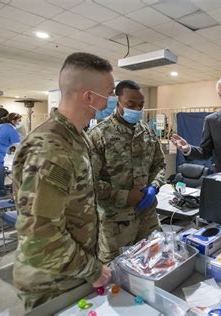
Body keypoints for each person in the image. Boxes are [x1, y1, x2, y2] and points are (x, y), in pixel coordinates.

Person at [12, 52, 114, 310]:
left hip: (72, 270)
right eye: (109, 94)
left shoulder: (77, 139)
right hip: (52, 280)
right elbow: (39, 234)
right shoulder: (51, 149)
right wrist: (92, 269)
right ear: (89, 97)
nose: (110, 102)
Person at [88, 80, 165, 264]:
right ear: (117, 101)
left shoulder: (147, 131)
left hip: (147, 216)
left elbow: (159, 164)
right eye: (131, 105)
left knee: (156, 262)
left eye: (141, 105)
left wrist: (154, 186)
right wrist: (124, 196)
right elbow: (89, 182)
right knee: (116, 275)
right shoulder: (99, 135)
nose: (137, 109)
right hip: (115, 223)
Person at [0, 112, 21, 191]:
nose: (19, 123)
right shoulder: (11, 130)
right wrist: (11, 158)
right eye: (19, 120)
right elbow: (15, 146)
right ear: (13, 121)